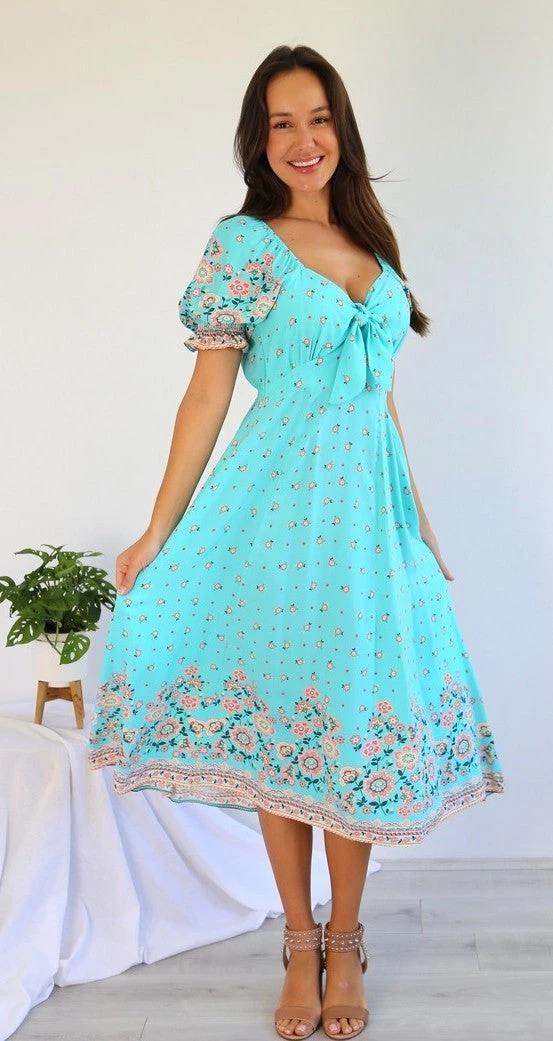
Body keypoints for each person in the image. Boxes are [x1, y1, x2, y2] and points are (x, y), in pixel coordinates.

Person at [87, 44, 505, 1040]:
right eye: (280, 123)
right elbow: (206, 395)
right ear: (258, 139)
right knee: (284, 724)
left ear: (340, 128)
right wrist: (159, 527)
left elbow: (380, 400)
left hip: (367, 525)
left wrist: (419, 522)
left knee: (350, 721)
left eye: (316, 118)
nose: (302, 139)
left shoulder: (371, 241)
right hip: (276, 514)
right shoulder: (244, 244)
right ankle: (299, 937)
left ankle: (346, 939)